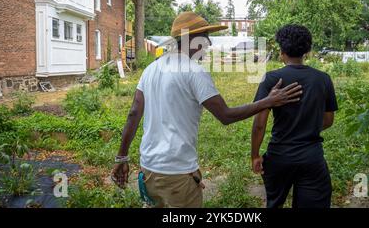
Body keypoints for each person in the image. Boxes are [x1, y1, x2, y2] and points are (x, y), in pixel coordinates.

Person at [111, 12, 303, 208]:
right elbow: (225, 116)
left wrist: (121, 157)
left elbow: (134, 113)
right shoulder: (195, 72)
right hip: (177, 172)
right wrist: (268, 101)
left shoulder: (151, 69)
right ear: (191, 39)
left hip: (149, 170)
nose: (209, 43)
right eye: (206, 37)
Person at [251, 24, 338, 208]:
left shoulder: (271, 79)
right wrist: (308, 126)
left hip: (279, 156)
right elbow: (329, 120)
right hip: (312, 157)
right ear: (306, 50)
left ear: (282, 50)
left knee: (274, 204)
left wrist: (255, 155)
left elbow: (259, 124)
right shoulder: (323, 79)